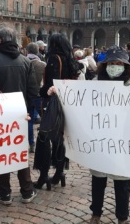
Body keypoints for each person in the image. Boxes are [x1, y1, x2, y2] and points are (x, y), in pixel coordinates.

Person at [0, 27, 39, 205]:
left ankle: (4, 192)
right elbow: (32, 90)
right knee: (19, 152)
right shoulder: (25, 61)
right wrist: (29, 112)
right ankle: (27, 191)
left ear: (0, 40)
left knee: (2, 153)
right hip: (20, 114)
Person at [88, 46, 130, 224]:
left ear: (126, 66)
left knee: (122, 183)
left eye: (119, 63)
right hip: (100, 140)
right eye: (111, 63)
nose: (115, 66)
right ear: (105, 64)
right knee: (98, 180)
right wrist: (56, 92)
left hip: (123, 142)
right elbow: (77, 100)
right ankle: (96, 213)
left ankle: (122, 216)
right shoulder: (95, 83)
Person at [33, 33, 82, 190]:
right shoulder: (70, 58)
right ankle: (60, 172)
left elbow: (51, 85)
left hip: (54, 103)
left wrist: (41, 92)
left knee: (43, 137)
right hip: (67, 103)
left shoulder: (54, 58)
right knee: (59, 138)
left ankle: (44, 175)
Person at [26, 42, 46, 153]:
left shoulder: (24, 62)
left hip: (28, 96)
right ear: (37, 51)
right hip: (39, 95)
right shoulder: (42, 64)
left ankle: (31, 143)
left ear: (27, 51)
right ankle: (44, 142)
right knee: (45, 119)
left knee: (29, 121)